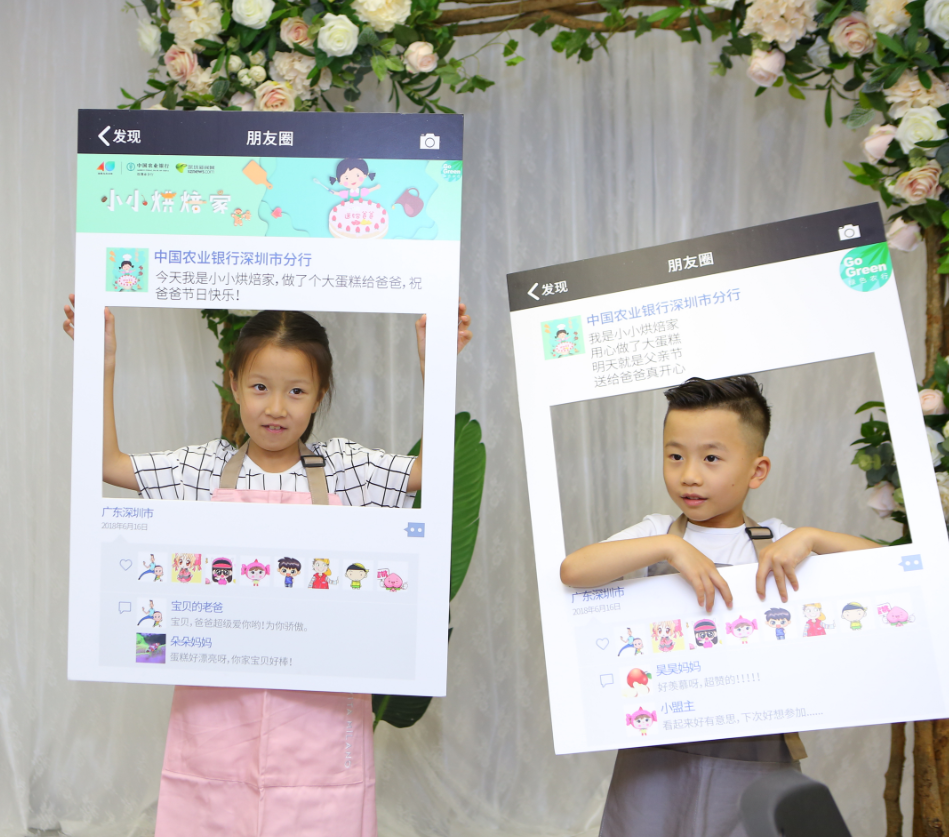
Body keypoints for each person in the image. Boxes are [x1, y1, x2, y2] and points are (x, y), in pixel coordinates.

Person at [63, 298, 472, 837]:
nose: (276, 407)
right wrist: (102, 363)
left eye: (296, 391)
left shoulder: (346, 469)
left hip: (321, 724)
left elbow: (437, 471)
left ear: (320, 395)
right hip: (216, 722)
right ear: (234, 385)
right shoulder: (201, 469)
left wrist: (437, 368)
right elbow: (107, 464)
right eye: (260, 387)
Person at [559, 375, 880, 837]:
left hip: (755, 752)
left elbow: (892, 567)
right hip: (657, 749)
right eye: (675, 456)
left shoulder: (776, 541)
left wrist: (812, 537)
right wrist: (670, 548)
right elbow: (574, 569)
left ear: (757, 470)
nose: (689, 474)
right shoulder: (656, 532)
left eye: (711, 458)